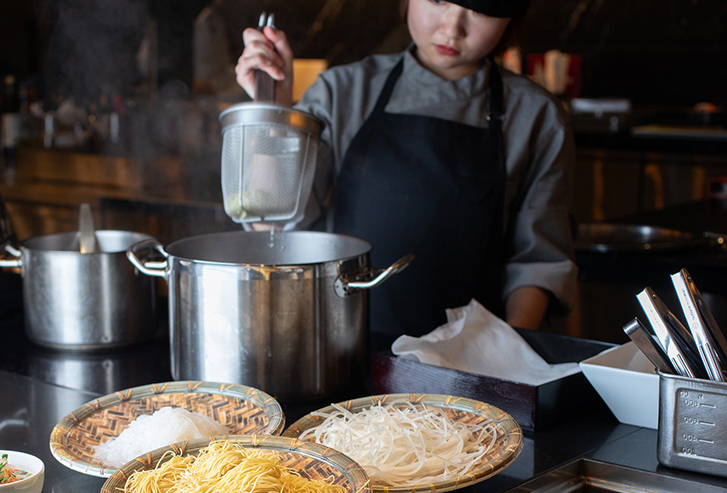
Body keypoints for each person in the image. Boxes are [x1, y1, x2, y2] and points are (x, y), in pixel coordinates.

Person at [234, 0, 578, 341]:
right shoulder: (343, 91)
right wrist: (273, 113)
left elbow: (537, 263)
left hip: (473, 359)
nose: (452, 29)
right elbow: (271, 221)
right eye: (438, 1)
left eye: (481, 10)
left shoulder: (536, 116)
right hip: (341, 348)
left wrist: (511, 351)